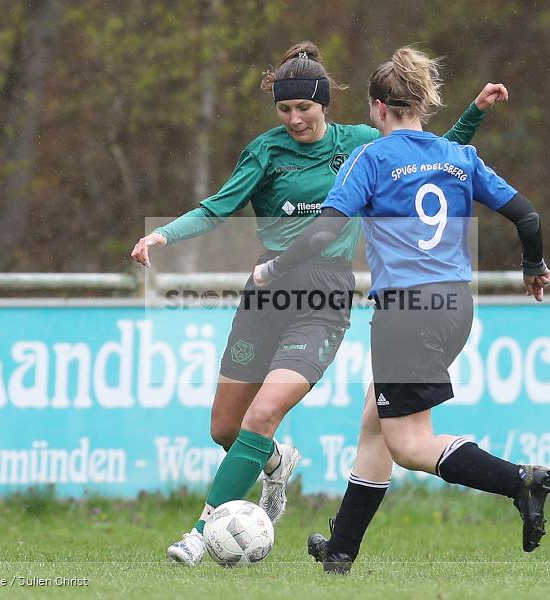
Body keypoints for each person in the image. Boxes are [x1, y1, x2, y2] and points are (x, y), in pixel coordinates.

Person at [130, 40, 508, 566]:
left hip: (323, 297)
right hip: (265, 296)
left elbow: (432, 159)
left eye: (303, 108)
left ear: (325, 104)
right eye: (285, 110)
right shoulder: (265, 151)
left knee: (263, 414)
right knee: (225, 429)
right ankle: (277, 462)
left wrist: (473, 114)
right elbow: (217, 208)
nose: (295, 119)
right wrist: (162, 238)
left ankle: (200, 532)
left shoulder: (359, 143)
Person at [253, 46, 550, 574]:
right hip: (454, 306)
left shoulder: (371, 159)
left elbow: (325, 230)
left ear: (376, 108)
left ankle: (519, 481)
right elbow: (527, 218)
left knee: (410, 443)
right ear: (420, 103)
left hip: (404, 311)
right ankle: (341, 548)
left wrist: (276, 266)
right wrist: (533, 266)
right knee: (377, 419)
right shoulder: (457, 156)